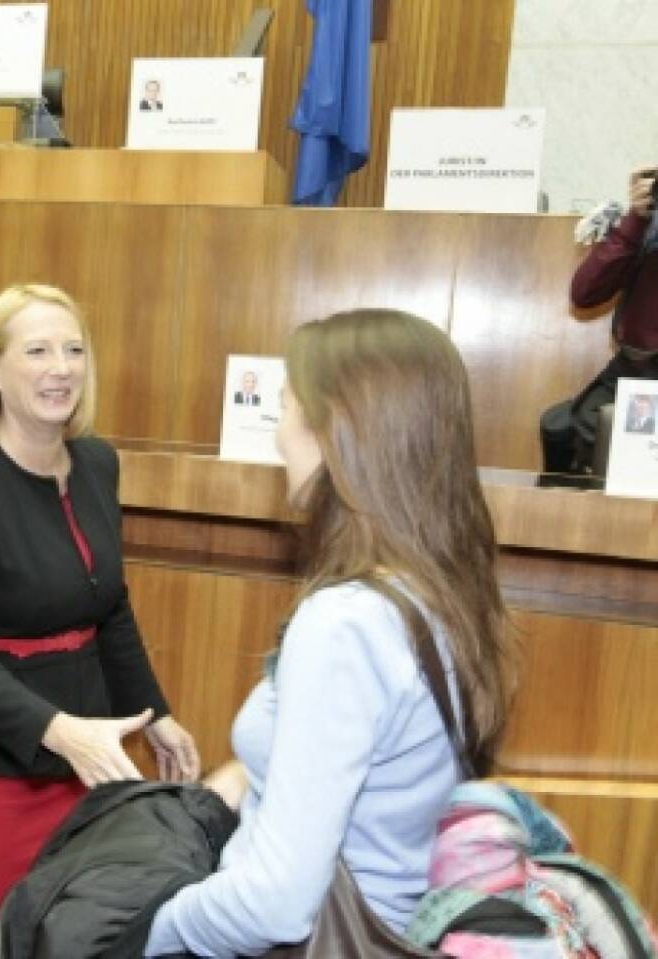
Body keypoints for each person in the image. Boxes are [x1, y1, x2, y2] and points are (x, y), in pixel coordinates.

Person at [144, 309, 519, 958]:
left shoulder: (346, 622)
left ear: (337, 431)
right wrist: (245, 775)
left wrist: (136, 931)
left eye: (287, 408)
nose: (277, 436)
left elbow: (275, 905)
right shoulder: (439, 592)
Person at [0, 283, 201, 959]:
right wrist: (61, 732)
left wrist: (154, 713)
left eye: (72, 349)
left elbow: (109, 604)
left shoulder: (98, 463)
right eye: (37, 350)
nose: (60, 367)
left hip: (81, 766)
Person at [540, 163, 658, 479]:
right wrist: (636, 220)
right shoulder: (645, 228)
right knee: (561, 429)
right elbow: (584, 294)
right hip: (637, 371)